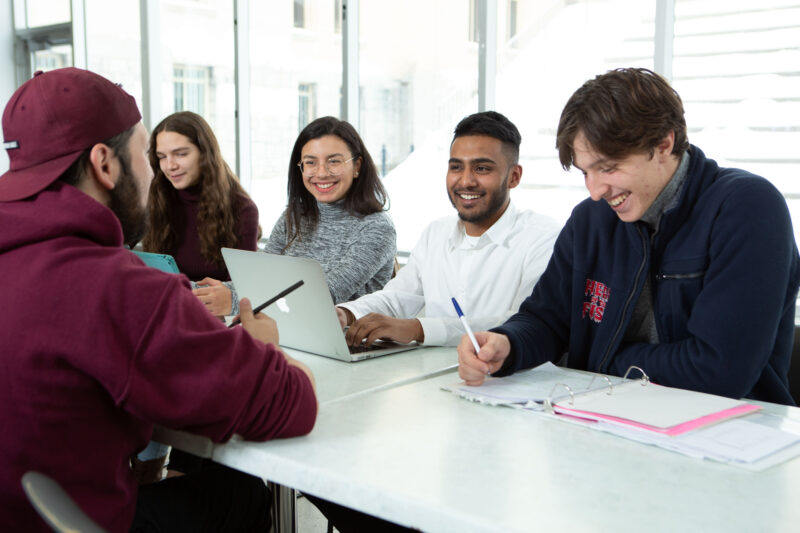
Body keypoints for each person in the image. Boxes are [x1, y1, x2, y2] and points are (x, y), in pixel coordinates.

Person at [0, 68, 317, 532]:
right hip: (87, 521)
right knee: (238, 495)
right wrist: (264, 346)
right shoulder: (113, 284)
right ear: (105, 164)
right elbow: (290, 402)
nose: (157, 172)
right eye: (147, 154)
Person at [458, 68, 800, 405]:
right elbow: (548, 318)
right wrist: (507, 343)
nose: (595, 191)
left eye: (608, 168)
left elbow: (718, 369)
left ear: (663, 144)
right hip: (610, 417)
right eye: (585, 172)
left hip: (728, 433)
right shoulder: (590, 219)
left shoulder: (746, 208)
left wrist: (605, 361)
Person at [336, 111, 561, 347]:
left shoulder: (543, 237)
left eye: (482, 168)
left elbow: (523, 323)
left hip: (509, 379)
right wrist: (346, 313)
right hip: (432, 376)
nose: (465, 181)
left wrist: (418, 329)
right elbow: (397, 298)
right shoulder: (436, 233)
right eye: (456, 167)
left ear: (513, 177)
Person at [204, 116, 397, 315]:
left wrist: (234, 302)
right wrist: (197, 291)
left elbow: (324, 294)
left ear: (356, 166)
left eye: (334, 161)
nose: (321, 173)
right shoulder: (294, 216)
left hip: (344, 340)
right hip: (284, 333)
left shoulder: (376, 227)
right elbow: (262, 279)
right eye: (310, 162)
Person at [142, 111, 259, 317]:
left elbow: (245, 290)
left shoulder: (242, 210)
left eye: (181, 154)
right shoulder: (155, 200)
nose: (170, 165)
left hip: (213, 319)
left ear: (205, 153)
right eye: (162, 157)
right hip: (164, 312)